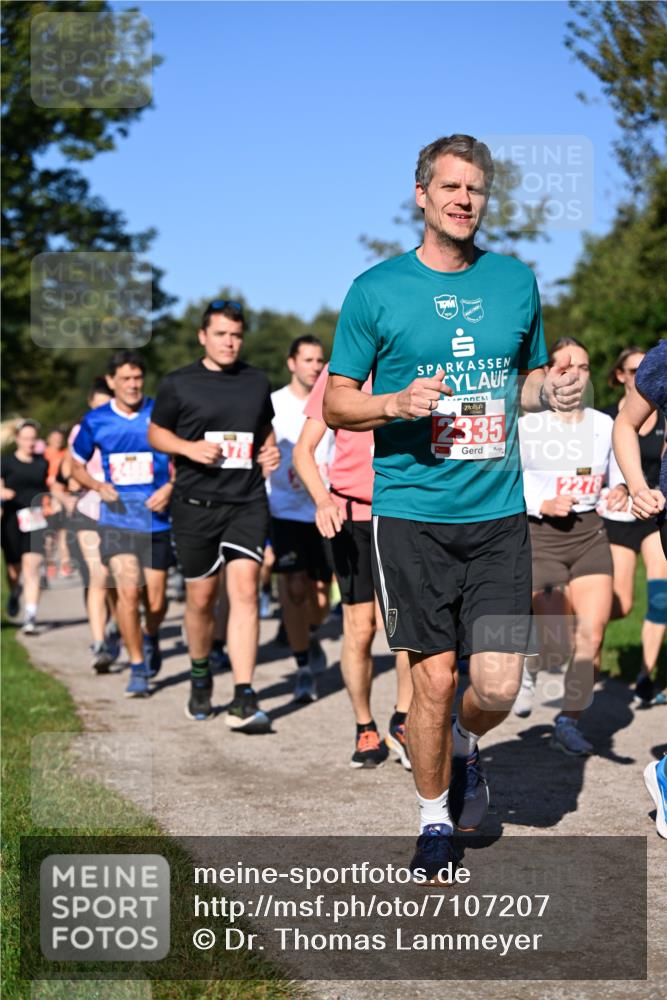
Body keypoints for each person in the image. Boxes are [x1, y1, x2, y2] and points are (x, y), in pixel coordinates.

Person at [322, 134, 581, 880]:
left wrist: (552, 391)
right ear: (421, 195)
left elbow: (522, 382)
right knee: (432, 678)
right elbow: (338, 402)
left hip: (496, 511)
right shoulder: (375, 290)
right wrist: (395, 402)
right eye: (451, 188)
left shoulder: (514, 281)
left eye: (475, 190)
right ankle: (433, 817)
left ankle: (464, 747)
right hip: (411, 513)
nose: (464, 200)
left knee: (496, 685)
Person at [148, 299, 279, 729]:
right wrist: (188, 449)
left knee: (244, 593)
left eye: (236, 335)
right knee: (202, 600)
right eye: (221, 334)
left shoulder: (256, 381)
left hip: (246, 502)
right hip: (194, 506)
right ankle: (201, 675)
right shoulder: (178, 383)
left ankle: (244, 693)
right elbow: (156, 432)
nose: (230, 342)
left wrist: (270, 449)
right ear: (203, 336)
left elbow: (264, 428)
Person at [294, 362, 413, 766]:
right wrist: (323, 501)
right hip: (351, 517)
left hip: (405, 514)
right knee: (360, 629)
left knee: (406, 626)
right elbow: (303, 451)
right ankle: (365, 727)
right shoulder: (341, 371)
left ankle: (404, 721)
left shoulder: (415, 361)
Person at [514, 338, 628, 753]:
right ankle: (529, 660)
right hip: (540, 536)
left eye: (582, 366)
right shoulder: (527, 427)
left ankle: (568, 720)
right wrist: (540, 502)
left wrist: (620, 491)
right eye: (565, 366)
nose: (575, 374)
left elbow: (619, 476)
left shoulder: (605, 425)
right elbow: (503, 484)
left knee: (592, 635)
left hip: (589, 535)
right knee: (554, 641)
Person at [70, 350, 173, 697]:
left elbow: (182, 456)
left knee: (156, 604)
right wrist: (98, 486)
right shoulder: (96, 420)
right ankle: (137, 666)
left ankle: (150, 634)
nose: (132, 385)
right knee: (128, 592)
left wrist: (171, 488)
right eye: (125, 379)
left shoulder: (160, 412)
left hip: (157, 519)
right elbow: (75, 466)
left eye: (138, 378)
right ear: (111, 382)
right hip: (116, 520)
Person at [601, 347, 667, 707]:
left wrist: (651, 491)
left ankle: (645, 676)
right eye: (634, 368)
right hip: (621, 516)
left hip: (656, 513)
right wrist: (626, 487)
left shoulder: (661, 414)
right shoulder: (607, 417)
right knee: (622, 603)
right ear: (621, 375)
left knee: (660, 595)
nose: (643, 372)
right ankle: (583, 631)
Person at [269, 335, 333, 703]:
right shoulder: (274, 404)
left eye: (319, 360)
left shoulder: (333, 400)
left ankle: (309, 633)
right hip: (285, 510)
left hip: (325, 509)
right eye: (307, 359)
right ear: (291, 363)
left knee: (322, 597)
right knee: (294, 587)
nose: (314, 366)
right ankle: (303, 666)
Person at [61, 377, 120, 673]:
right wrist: (86, 481)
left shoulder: (123, 426)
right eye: (95, 407)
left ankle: (118, 627)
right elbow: (69, 469)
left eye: (105, 406)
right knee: (99, 575)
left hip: (122, 512)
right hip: (89, 511)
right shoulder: (79, 431)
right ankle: (99, 643)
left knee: (118, 580)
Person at [1, 420, 49, 633]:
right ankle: (14, 592)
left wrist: (53, 503)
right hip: (11, 517)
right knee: (13, 569)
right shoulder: (6, 462)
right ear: (18, 439)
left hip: (35, 518)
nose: (30, 443)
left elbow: (49, 487)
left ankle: (31, 615)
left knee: (32, 567)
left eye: (33, 439)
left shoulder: (42, 463)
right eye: (26, 438)